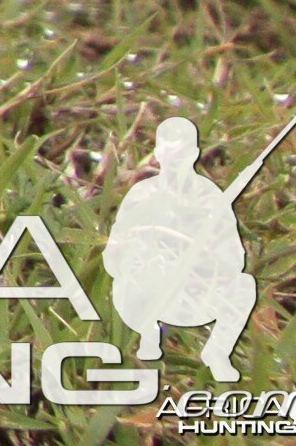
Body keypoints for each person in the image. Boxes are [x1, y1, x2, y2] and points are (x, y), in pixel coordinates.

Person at [105, 112, 260, 382]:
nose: (175, 160)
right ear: (157, 153)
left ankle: (218, 352)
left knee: (244, 286)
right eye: (169, 151)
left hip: (196, 293)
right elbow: (115, 250)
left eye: (182, 152)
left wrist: (205, 255)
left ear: (195, 153)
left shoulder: (211, 198)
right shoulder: (142, 195)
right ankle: (145, 338)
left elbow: (235, 258)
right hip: (145, 293)